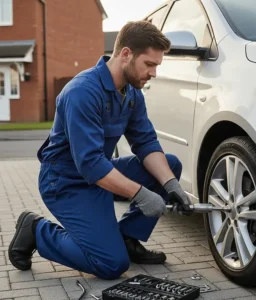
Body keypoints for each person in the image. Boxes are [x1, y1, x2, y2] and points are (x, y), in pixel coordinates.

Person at [8, 21, 192, 279]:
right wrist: (141, 194)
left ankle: (127, 239)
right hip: (65, 182)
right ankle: (37, 231)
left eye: (156, 66)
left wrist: (171, 185)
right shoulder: (82, 92)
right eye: (149, 64)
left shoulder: (131, 93)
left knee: (169, 166)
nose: (154, 73)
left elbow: (146, 142)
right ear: (126, 54)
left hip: (100, 173)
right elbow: (91, 165)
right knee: (110, 264)